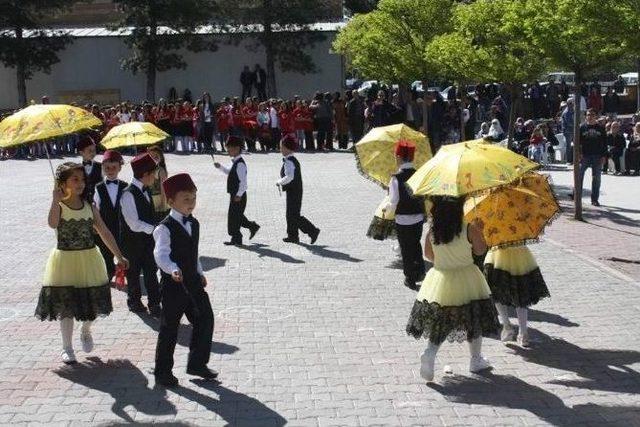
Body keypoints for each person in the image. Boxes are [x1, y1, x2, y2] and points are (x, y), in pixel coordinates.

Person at [35, 162, 128, 364]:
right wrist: (54, 201)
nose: (80, 183)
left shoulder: (90, 207)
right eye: (74, 179)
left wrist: (118, 256)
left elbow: (104, 232)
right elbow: (52, 223)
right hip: (65, 261)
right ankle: (67, 348)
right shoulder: (59, 206)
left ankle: (85, 330)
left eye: (82, 179)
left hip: (89, 259)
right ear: (62, 183)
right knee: (66, 306)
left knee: (93, 303)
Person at [406, 196, 499, 382]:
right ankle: (475, 359)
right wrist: (480, 232)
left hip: (441, 278)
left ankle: (430, 353)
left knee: (442, 320)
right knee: (474, 319)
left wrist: (444, 261)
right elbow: (480, 251)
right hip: (468, 278)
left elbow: (428, 255)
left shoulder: (433, 231)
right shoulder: (468, 228)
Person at [153, 173, 217, 387]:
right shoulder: (164, 228)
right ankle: (163, 372)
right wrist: (172, 269)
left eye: (194, 198)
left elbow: (193, 252)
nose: (191, 203)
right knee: (170, 328)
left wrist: (199, 272)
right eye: (186, 199)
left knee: (205, 318)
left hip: (193, 282)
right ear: (171, 201)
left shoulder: (194, 223)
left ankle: (197, 364)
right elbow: (160, 255)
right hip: (174, 285)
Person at [120, 153, 162, 316]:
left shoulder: (146, 189)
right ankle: (134, 301)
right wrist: (153, 228)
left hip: (147, 241)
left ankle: (154, 303)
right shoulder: (128, 194)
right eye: (153, 174)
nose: (155, 178)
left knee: (151, 271)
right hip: (132, 242)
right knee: (134, 273)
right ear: (145, 175)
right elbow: (133, 223)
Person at [484, 245, 550, 347]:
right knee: (517, 294)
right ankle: (521, 332)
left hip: (499, 255)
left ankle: (509, 327)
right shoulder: (522, 228)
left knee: (497, 291)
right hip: (517, 254)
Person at [383, 140, 426, 291]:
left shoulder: (395, 178)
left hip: (402, 218)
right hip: (418, 216)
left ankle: (410, 277)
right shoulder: (419, 174)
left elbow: (393, 201)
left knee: (406, 248)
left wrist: (386, 208)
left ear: (399, 157)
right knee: (416, 244)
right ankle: (420, 270)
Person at [214, 136, 260, 246]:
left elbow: (243, 183)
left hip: (239, 195)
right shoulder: (235, 161)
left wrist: (239, 195)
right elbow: (229, 172)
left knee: (234, 217)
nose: (227, 150)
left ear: (237, 148)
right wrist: (220, 167)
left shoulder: (240, 164)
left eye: (229, 148)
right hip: (234, 194)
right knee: (236, 215)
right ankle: (252, 227)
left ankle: (237, 238)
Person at [276, 136, 320, 244]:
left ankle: (312, 231)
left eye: (282, 147)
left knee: (294, 215)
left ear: (288, 148)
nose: (280, 149)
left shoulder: (289, 162)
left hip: (294, 191)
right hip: (294, 190)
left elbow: (289, 177)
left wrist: (279, 182)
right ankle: (293, 236)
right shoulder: (290, 160)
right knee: (290, 214)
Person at [93, 150, 128, 281]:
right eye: (107, 168)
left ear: (119, 168)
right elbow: (96, 206)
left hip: (121, 227)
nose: (110, 170)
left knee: (122, 251)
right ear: (102, 168)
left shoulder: (125, 187)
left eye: (114, 167)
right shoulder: (99, 187)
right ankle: (108, 274)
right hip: (105, 227)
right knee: (105, 253)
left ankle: (122, 275)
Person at [570, 109, 607, 206]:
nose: (590, 116)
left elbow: (605, 143)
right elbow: (577, 142)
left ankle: (594, 199)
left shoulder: (601, 128)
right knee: (579, 176)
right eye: (588, 115)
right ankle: (576, 196)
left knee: (596, 178)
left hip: (597, 156)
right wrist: (578, 153)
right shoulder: (582, 128)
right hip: (584, 156)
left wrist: (604, 156)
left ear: (596, 116)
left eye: (592, 115)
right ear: (586, 116)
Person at [147, 145, 170, 221]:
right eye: (151, 157)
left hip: (159, 201)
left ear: (161, 158)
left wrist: (163, 204)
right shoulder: (147, 170)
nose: (153, 159)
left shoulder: (161, 171)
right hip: (150, 201)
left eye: (156, 156)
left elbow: (163, 188)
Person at [77, 136, 102, 202]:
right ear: (81, 153)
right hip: (83, 202)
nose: (93, 153)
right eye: (90, 151)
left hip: (98, 201)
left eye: (94, 150)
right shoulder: (77, 169)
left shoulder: (101, 166)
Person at [561, 98, 575, 164]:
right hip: (568, 131)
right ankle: (568, 160)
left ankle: (574, 159)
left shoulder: (572, 110)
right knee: (568, 146)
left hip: (573, 130)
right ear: (568, 104)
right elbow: (569, 123)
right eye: (571, 103)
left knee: (576, 145)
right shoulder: (566, 112)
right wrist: (576, 125)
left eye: (572, 103)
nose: (572, 105)